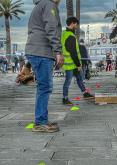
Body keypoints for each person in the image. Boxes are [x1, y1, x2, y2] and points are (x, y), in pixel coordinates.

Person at [25, 0, 64, 133]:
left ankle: (42, 119)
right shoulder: (49, 4)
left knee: (43, 86)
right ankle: (40, 121)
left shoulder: (41, 4)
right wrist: (58, 52)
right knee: (44, 87)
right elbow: (51, 28)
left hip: (38, 51)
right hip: (42, 51)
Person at [62, 17, 94, 106]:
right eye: (76, 24)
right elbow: (73, 52)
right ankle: (65, 98)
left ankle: (85, 93)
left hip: (70, 63)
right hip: (70, 64)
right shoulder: (70, 36)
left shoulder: (64, 33)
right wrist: (78, 64)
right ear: (72, 23)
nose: (77, 26)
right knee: (68, 81)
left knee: (79, 78)